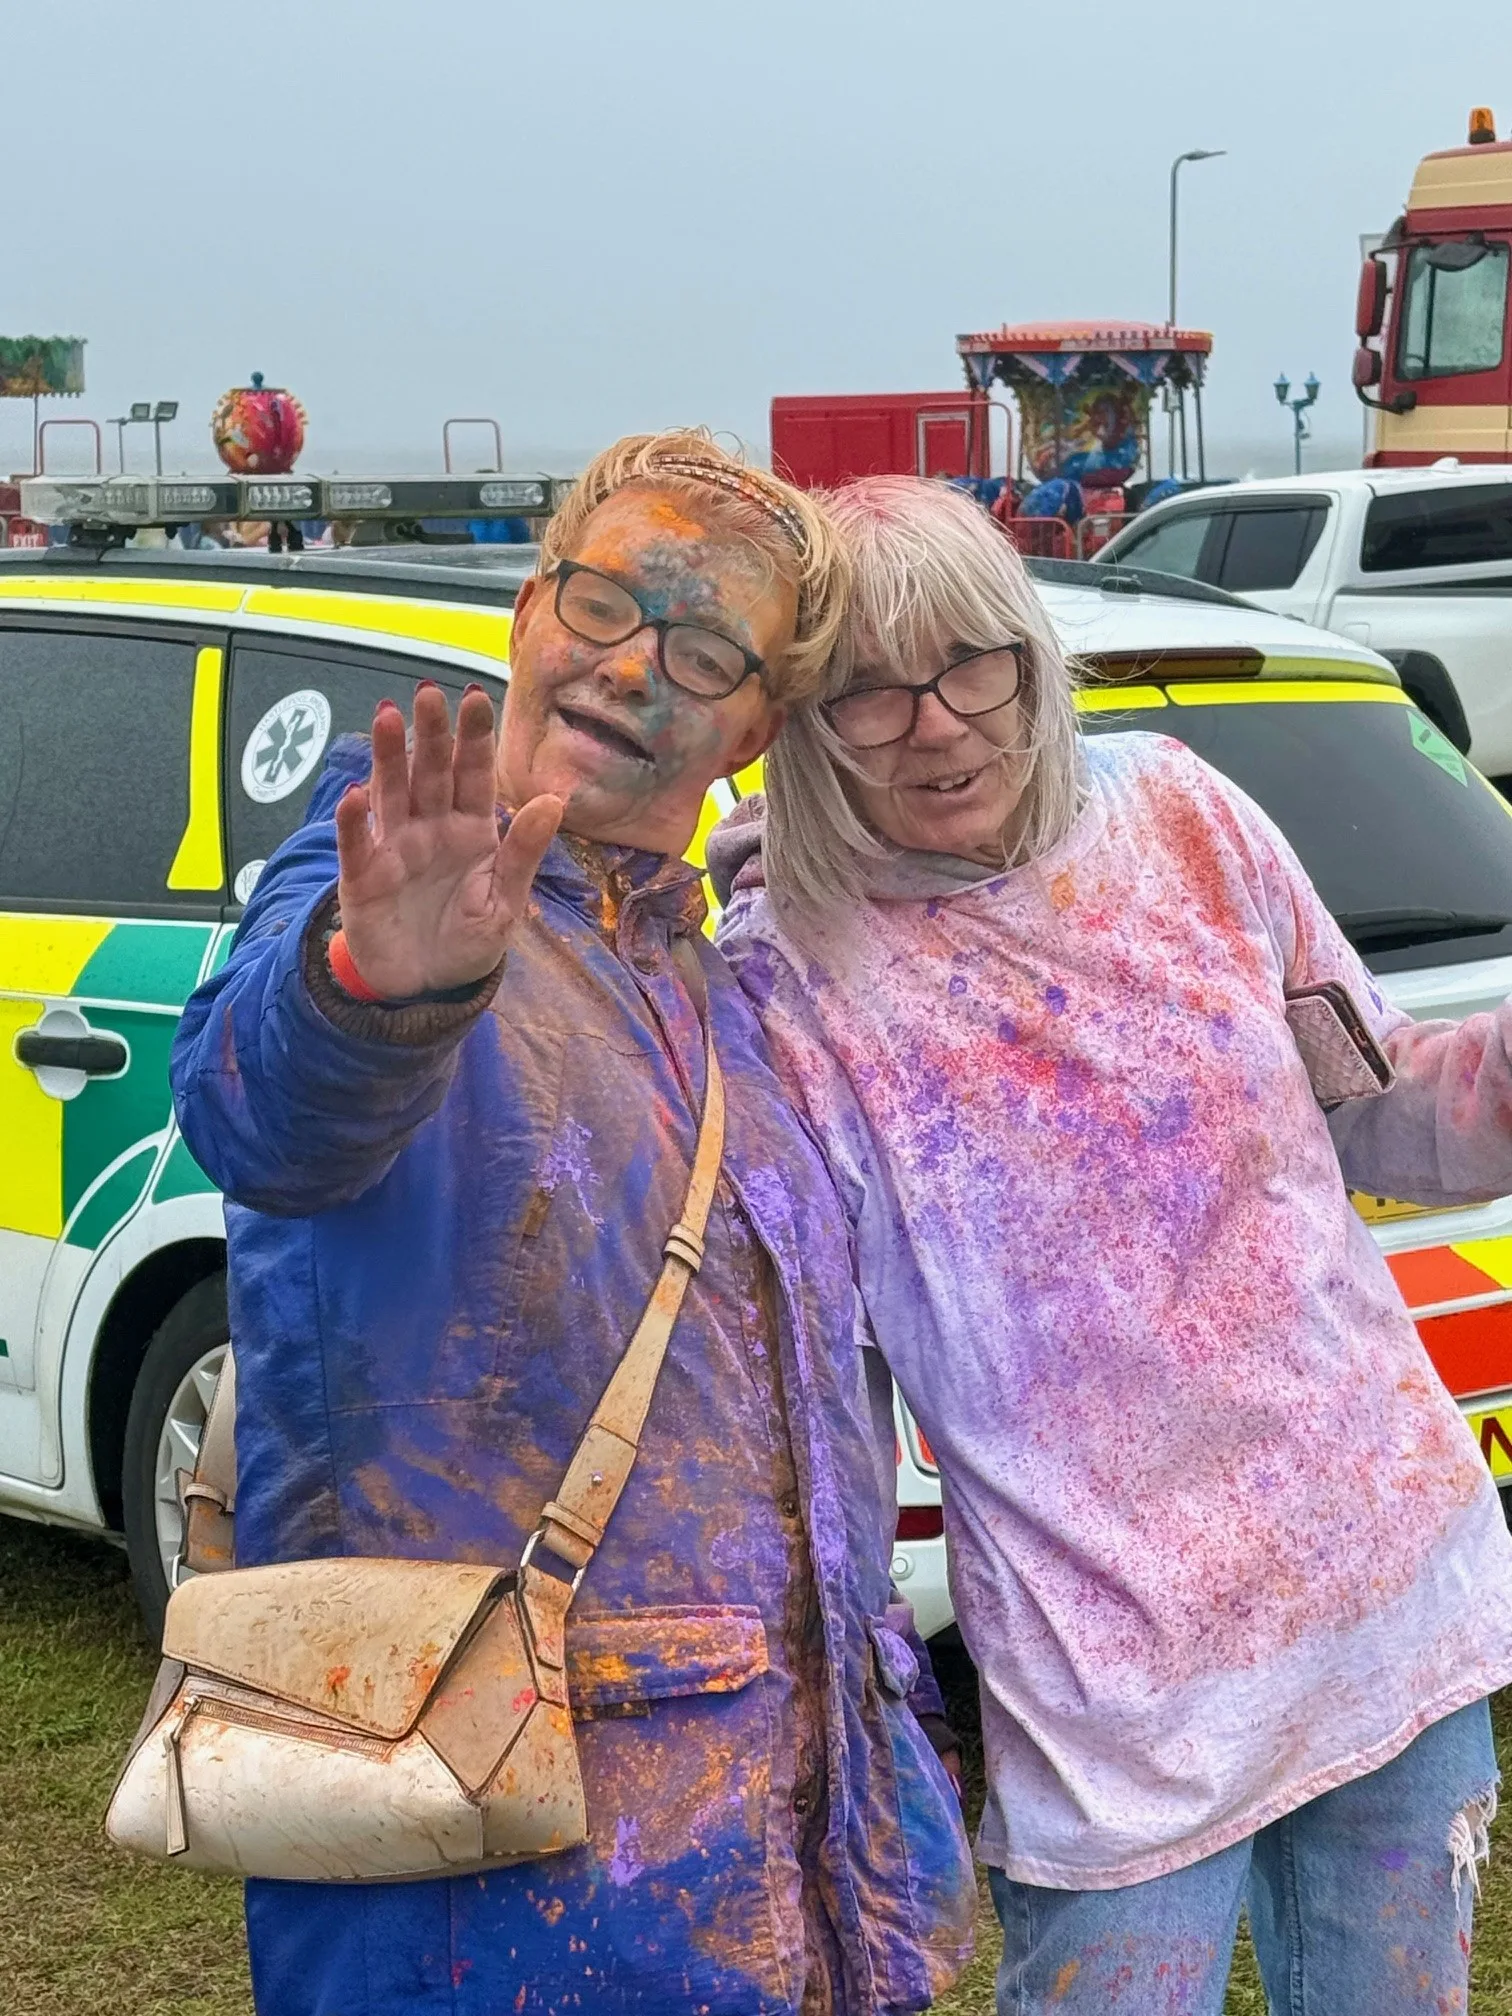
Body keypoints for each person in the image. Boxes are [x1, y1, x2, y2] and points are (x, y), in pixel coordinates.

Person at [169, 434, 975, 2016]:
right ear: (532, 605)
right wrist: (375, 991)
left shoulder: (726, 1000)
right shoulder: (390, 874)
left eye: (704, 650)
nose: (631, 665)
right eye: (603, 602)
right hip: (494, 1889)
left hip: (790, 1870)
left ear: (756, 724)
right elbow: (260, 1118)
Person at [710, 473, 1512, 2016]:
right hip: (1116, 1708)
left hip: (1390, 1586)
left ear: (1031, 654)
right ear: (804, 723)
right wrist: (842, 1694)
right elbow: (817, 1410)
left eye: (973, 664)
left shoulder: (1181, 813)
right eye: (869, 692)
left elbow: (1378, 1111)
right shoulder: (785, 986)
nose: (937, 725)